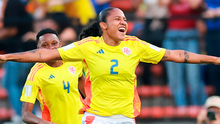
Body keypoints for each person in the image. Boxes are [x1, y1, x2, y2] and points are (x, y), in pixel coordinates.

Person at [0, 7, 220, 124]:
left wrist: (215, 59)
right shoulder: (87, 47)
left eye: (125, 18)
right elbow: (42, 54)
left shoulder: (136, 45)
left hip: (125, 118)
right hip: (96, 118)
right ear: (104, 26)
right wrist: (7, 57)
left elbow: (176, 54)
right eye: (117, 19)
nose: (123, 21)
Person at [20, 28, 85, 124]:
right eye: (45, 45)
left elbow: (86, 90)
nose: (50, 48)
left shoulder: (74, 61)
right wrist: (43, 122)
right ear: (38, 48)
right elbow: (26, 114)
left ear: (60, 44)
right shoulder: (35, 74)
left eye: (54, 43)